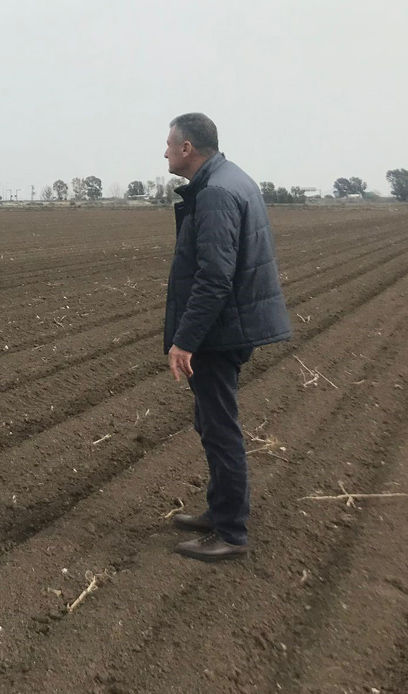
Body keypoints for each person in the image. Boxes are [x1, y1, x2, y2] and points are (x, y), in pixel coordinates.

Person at [162, 113, 293, 562]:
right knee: (211, 422)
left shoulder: (216, 192)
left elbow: (214, 277)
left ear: (187, 149)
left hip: (220, 331)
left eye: (168, 144)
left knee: (220, 429)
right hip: (227, 325)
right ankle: (219, 513)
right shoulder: (230, 179)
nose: (163, 152)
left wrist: (185, 340)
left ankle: (230, 532)